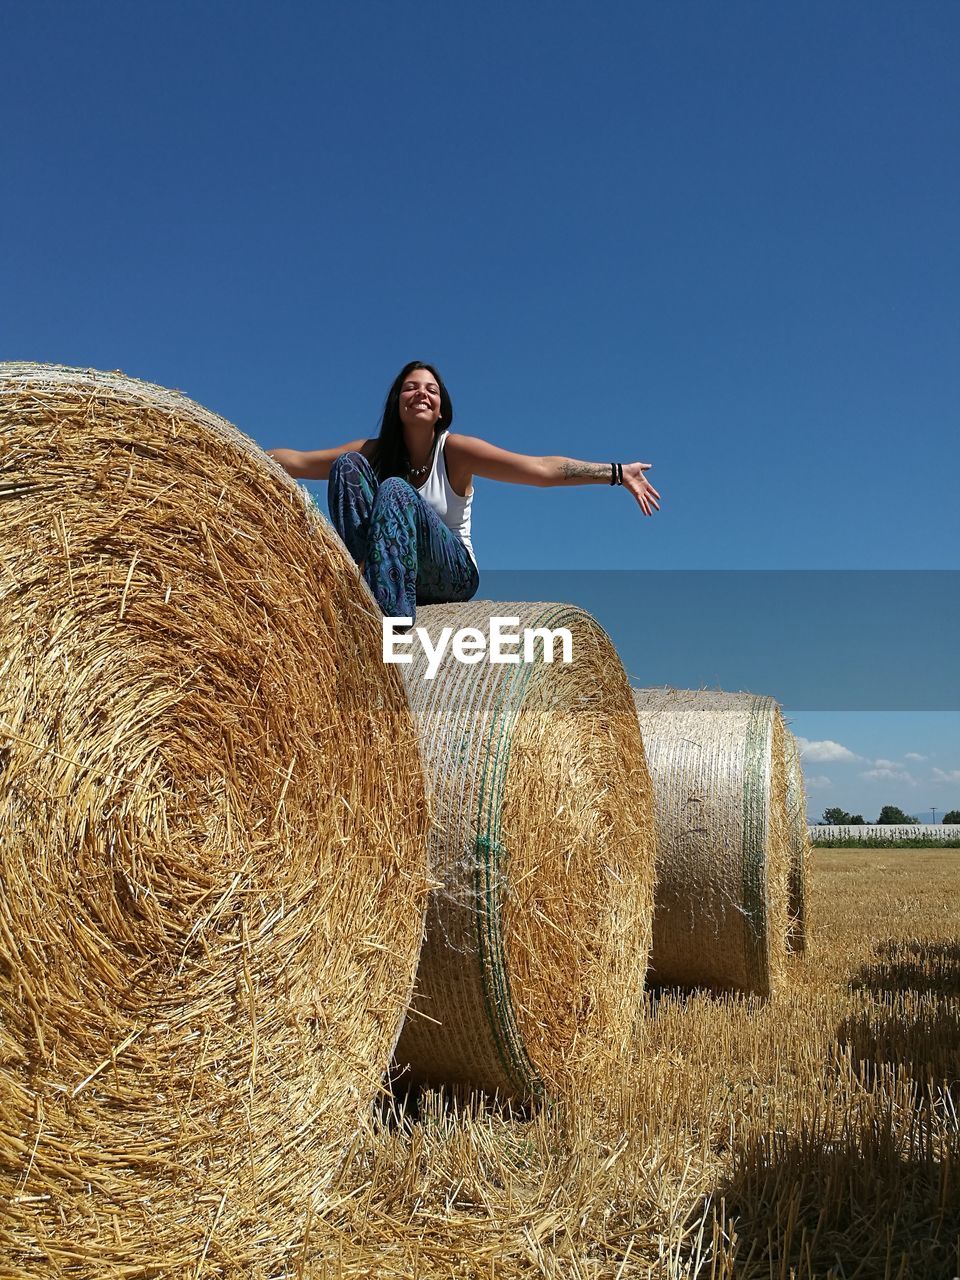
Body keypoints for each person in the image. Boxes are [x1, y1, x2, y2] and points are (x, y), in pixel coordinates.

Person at [269, 360, 661, 622]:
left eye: (431, 390)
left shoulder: (454, 451)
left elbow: (539, 468)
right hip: (390, 569)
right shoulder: (373, 451)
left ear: (441, 408)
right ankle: (371, 599)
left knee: (395, 490)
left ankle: (389, 627)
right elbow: (299, 461)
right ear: (397, 402)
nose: (421, 393)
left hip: (452, 573)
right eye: (410, 387)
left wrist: (616, 473)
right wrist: (223, 453)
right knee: (345, 466)